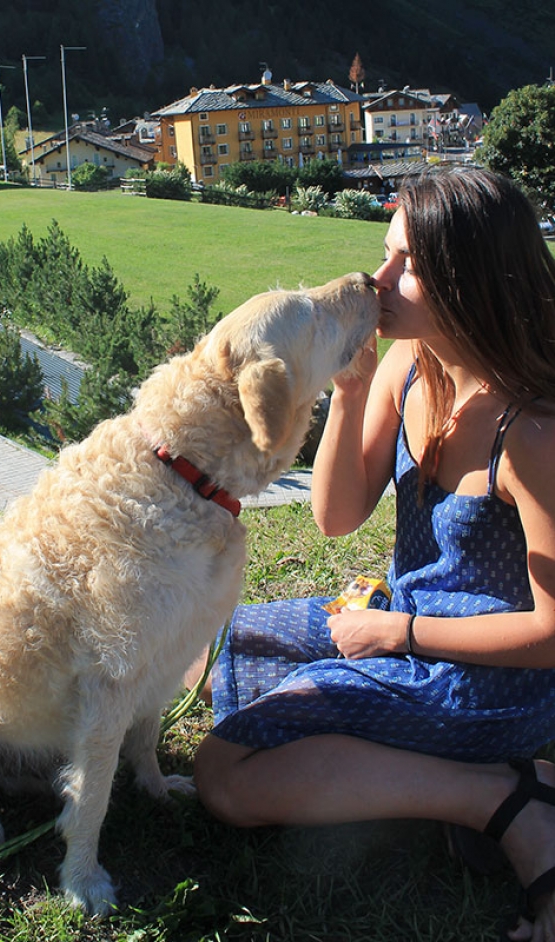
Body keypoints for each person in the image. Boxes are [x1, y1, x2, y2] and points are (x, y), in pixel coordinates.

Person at [190, 166, 555, 942]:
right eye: (385, 253)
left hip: (484, 682)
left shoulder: (530, 433)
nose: (378, 279)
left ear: (470, 281)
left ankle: (500, 798)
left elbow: (552, 634)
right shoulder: (407, 365)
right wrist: (350, 392)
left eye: (407, 266)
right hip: (396, 620)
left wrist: (400, 633)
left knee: (225, 777)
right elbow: (335, 517)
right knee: (202, 652)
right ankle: (428, 769)